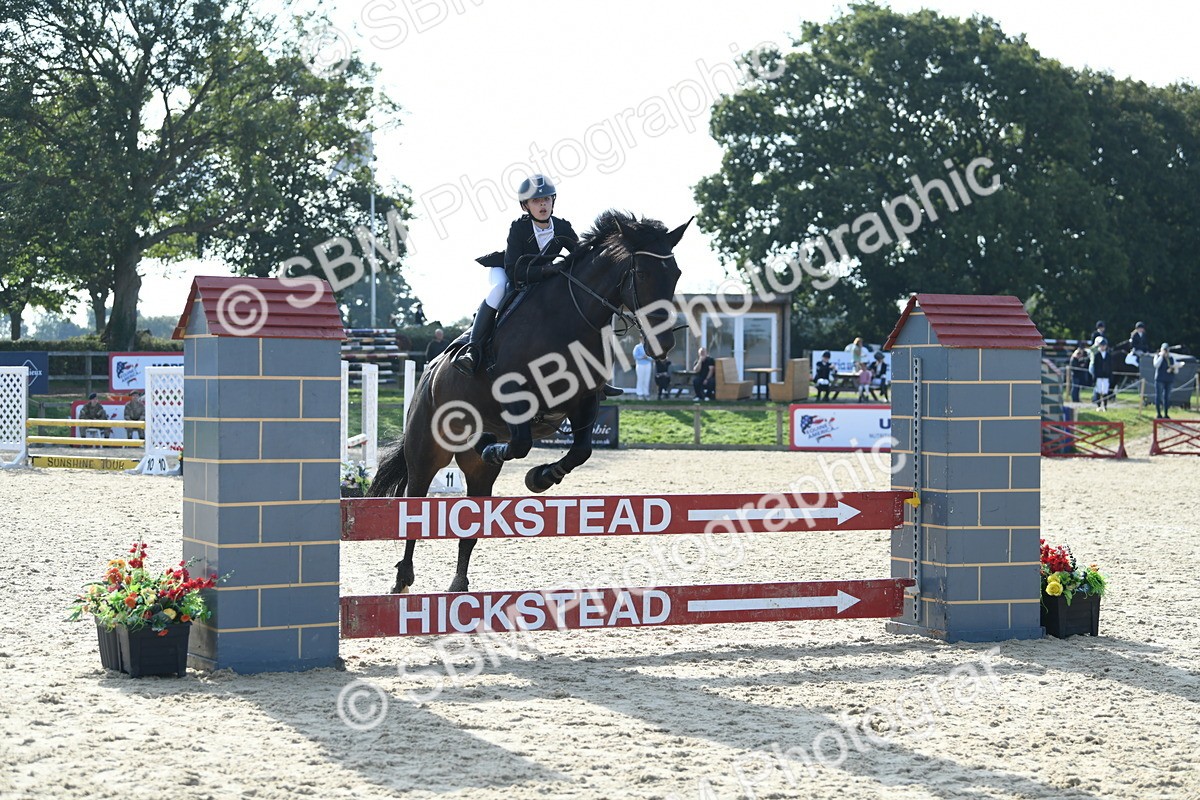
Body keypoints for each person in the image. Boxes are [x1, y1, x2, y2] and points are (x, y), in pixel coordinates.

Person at [453, 174, 578, 376]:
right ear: (525, 206)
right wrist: (545, 270)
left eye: (546, 199)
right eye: (536, 201)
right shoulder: (519, 227)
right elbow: (513, 271)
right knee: (498, 290)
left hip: (540, 277)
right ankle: (472, 350)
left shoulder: (562, 227)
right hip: (508, 271)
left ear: (553, 201)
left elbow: (580, 255)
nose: (543, 204)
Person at [1153, 342, 1178, 419]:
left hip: (1169, 380)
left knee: (1167, 397)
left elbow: (1176, 370)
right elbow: (1156, 365)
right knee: (1158, 396)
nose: (1166, 352)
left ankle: (1166, 414)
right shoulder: (1157, 356)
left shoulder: (1172, 358)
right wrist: (1161, 356)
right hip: (1160, 379)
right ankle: (1158, 414)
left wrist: (1173, 369)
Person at [1089, 337, 1113, 410]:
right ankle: (1098, 406)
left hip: (1106, 375)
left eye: (1104, 346)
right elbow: (1095, 367)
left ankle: (1105, 406)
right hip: (1099, 375)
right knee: (1098, 391)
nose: (1102, 347)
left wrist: (1110, 375)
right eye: (1101, 346)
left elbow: (1110, 366)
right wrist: (1095, 376)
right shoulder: (1097, 355)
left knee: (1105, 391)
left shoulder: (1108, 355)